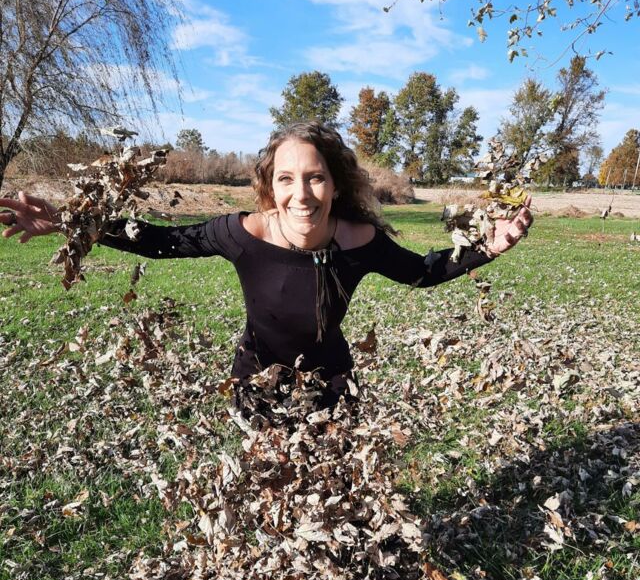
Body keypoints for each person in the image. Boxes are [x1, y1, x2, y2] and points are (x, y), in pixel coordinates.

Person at [0, 121, 532, 407]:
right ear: (270, 187)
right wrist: (71, 221)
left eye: (315, 177)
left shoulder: (359, 240)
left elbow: (423, 271)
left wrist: (488, 246)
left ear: (335, 184)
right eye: (285, 179)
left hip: (332, 387)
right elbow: (161, 241)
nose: (301, 194)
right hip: (256, 383)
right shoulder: (245, 233)